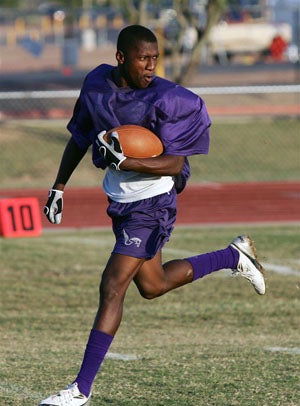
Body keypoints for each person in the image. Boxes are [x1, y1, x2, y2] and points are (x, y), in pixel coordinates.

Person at [40, 25, 265, 406]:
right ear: (121, 58)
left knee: (112, 285)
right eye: (143, 59)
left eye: (155, 59)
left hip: (153, 204)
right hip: (121, 200)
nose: (150, 66)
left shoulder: (169, 99)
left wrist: (126, 160)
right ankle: (234, 256)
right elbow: (80, 137)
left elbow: (175, 163)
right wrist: (58, 187)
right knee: (153, 284)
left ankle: (80, 389)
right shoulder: (97, 83)